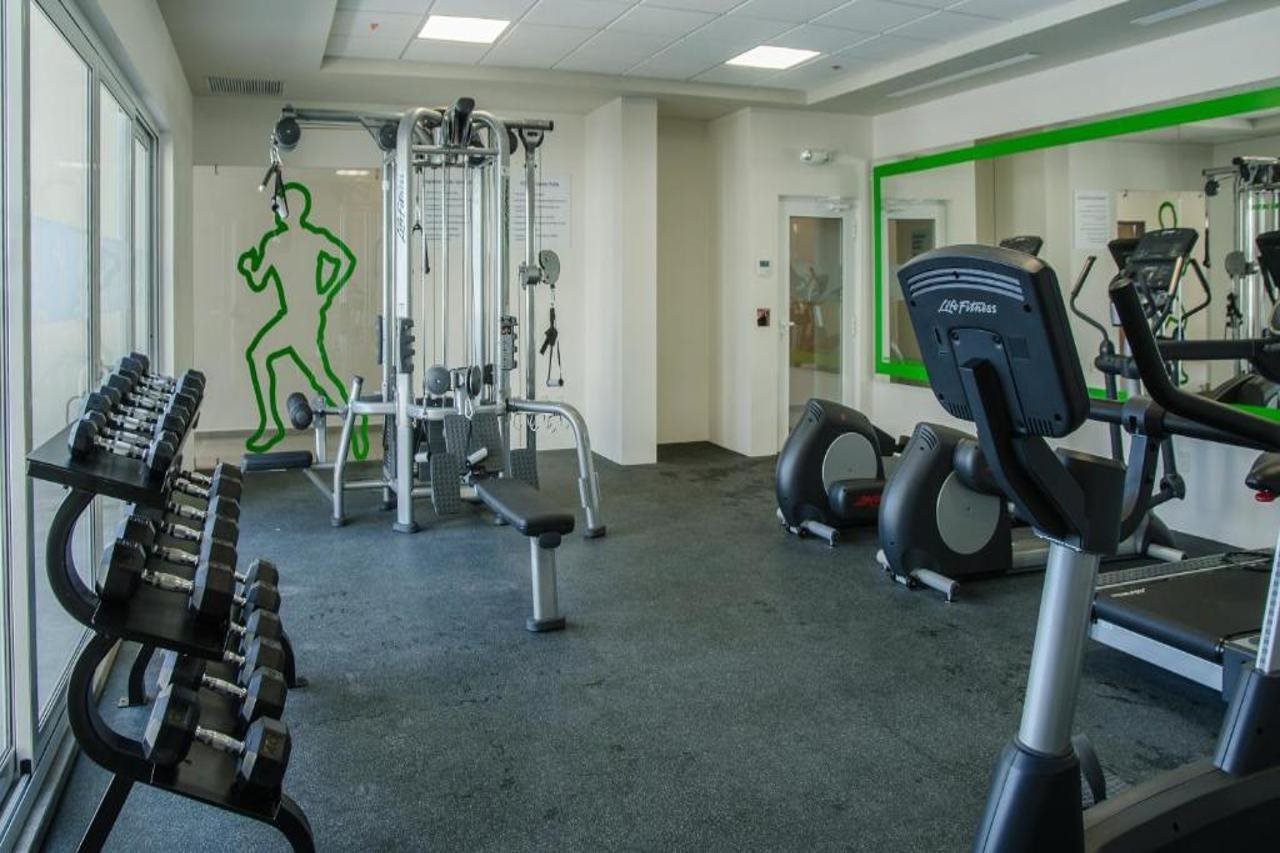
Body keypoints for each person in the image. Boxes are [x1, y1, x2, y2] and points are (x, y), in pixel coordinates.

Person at [237, 182, 369, 459]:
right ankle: (271, 425)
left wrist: (326, 294)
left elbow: (344, 261)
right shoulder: (275, 245)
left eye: (280, 208)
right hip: (289, 318)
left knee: (322, 378)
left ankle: (354, 430)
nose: (277, 214)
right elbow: (258, 281)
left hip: (306, 317)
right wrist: (249, 266)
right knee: (261, 356)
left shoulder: (312, 239)